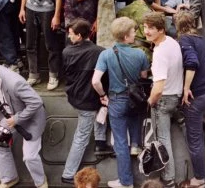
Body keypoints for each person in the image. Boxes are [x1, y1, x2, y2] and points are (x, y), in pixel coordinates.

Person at [91, 17, 150, 188]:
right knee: (135, 123)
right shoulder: (140, 54)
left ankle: (126, 182)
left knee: (120, 142)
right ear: (126, 36)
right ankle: (136, 145)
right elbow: (144, 76)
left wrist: (103, 95)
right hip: (135, 99)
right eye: (132, 32)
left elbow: (95, 81)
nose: (135, 34)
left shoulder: (106, 54)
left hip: (116, 100)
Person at [61, 19, 112, 184]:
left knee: (84, 131)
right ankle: (68, 173)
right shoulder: (100, 52)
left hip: (77, 97)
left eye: (71, 34)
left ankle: (100, 143)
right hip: (93, 96)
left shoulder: (67, 52)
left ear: (80, 35)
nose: (69, 38)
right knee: (81, 136)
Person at [176, 10, 205, 188]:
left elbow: (192, 62)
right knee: (196, 131)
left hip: (198, 95)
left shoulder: (184, 40)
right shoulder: (202, 39)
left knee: (194, 139)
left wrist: (186, 88)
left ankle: (199, 179)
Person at [143, 11, 182, 186]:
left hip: (163, 99)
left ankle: (168, 178)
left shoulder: (159, 53)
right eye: (144, 27)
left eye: (151, 28)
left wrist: (150, 101)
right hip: (176, 96)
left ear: (161, 30)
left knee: (162, 141)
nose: (146, 31)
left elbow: (158, 89)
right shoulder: (172, 42)